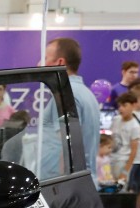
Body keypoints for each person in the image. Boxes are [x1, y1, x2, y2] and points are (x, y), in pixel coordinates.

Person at [41, 37, 100, 186]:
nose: (41, 64)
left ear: (60, 62)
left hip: (64, 184)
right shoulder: (85, 93)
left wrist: (62, 185)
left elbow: (66, 144)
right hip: (79, 180)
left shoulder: (64, 94)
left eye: (46, 58)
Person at [110, 93, 140, 196]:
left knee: (120, 191)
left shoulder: (135, 126)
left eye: (124, 105)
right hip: (111, 159)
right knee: (109, 189)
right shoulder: (116, 120)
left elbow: (133, 151)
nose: (121, 109)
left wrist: (125, 171)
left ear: (133, 106)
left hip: (122, 161)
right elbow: (111, 138)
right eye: (119, 106)